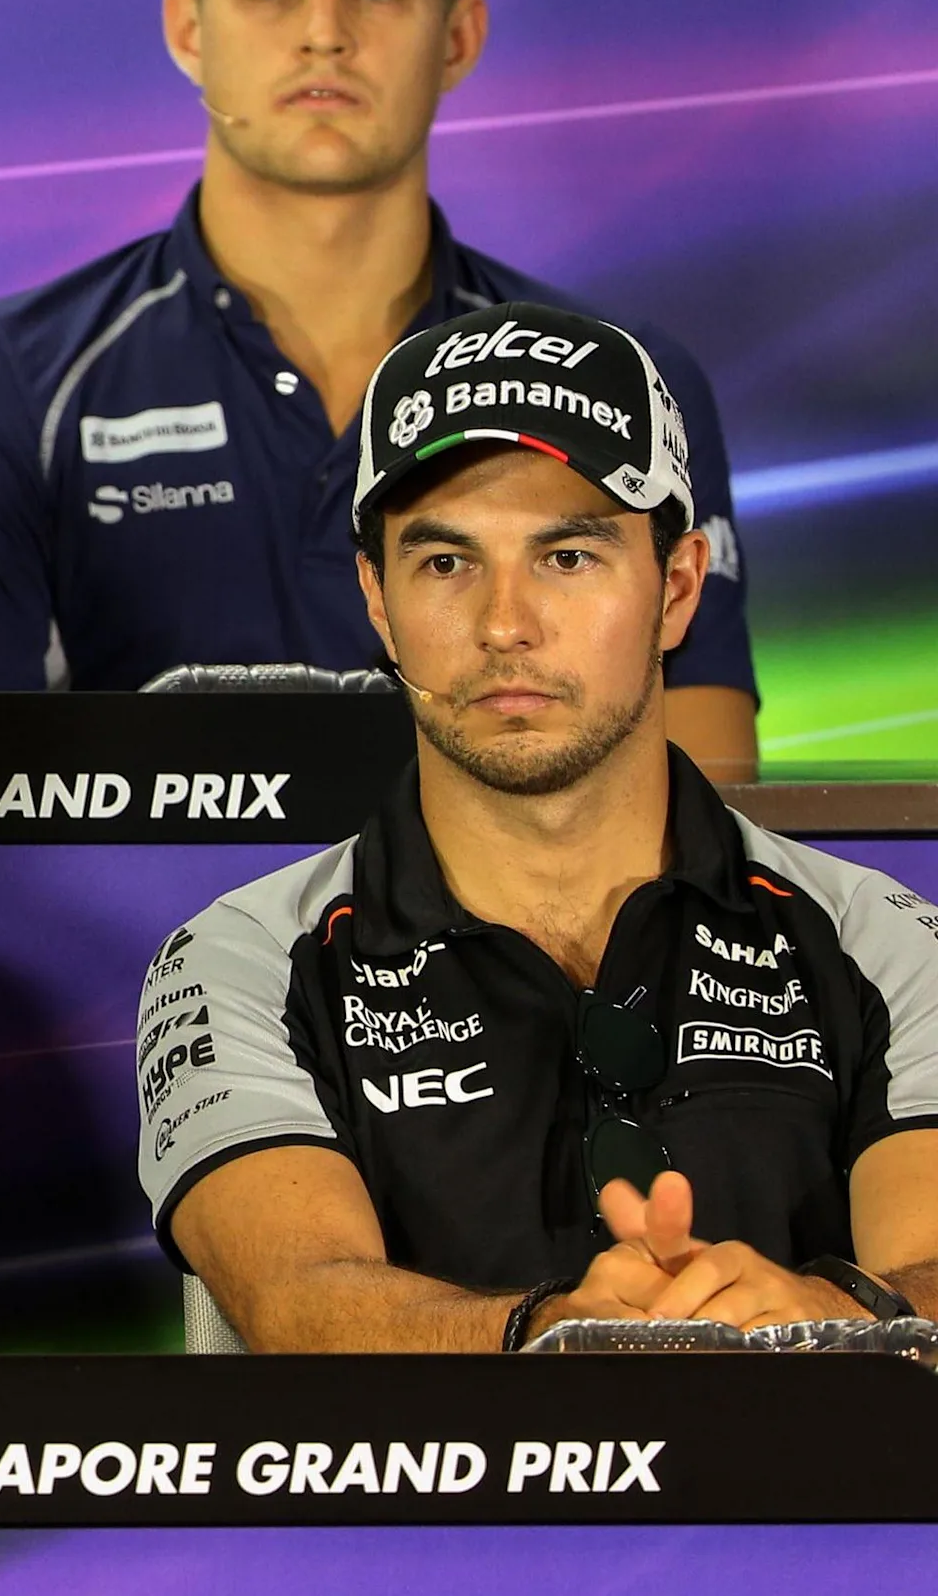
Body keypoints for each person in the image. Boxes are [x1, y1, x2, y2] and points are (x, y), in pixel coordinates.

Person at [0, 0, 758, 779]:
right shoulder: (5, 376)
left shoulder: (623, 382)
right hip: (116, 943)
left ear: (456, 36)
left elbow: (704, 811)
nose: (323, 32)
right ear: (186, 31)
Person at [137, 306, 938, 1352]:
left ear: (677, 588)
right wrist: (557, 1338)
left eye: (566, 557)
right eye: (443, 563)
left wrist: (828, 1314)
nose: (503, 623)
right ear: (375, 601)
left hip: (799, 1516)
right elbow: (296, 1303)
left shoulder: (885, 942)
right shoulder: (236, 961)